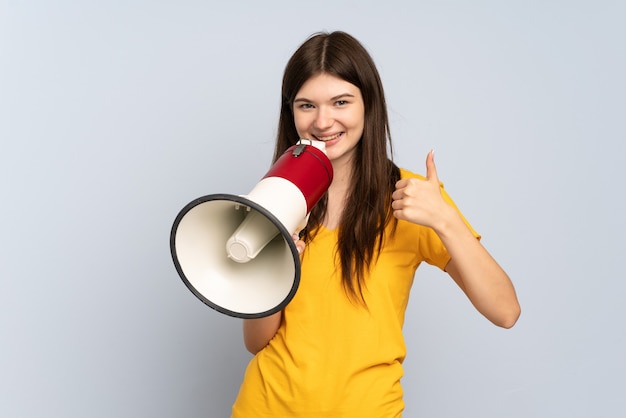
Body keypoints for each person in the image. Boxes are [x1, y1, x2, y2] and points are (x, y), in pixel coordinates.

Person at [230, 31, 520, 418]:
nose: (322, 121)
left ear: (369, 104)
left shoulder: (413, 198)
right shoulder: (276, 200)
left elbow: (505, 311)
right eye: (306, 105)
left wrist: (445, 219)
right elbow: (256, 342)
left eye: (341, 102)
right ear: (291, 112)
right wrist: (278, 270)